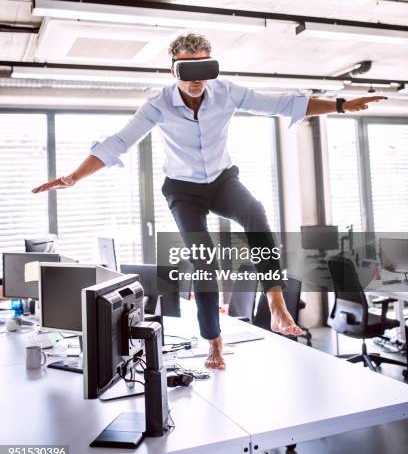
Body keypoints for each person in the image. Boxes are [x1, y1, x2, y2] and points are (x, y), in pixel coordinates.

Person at [32, 33, 387, 369]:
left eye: (204, 67)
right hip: (182, 190)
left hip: (221, 180)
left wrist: (340, 104)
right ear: (174, 70)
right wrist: (74, 176)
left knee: (256, 213)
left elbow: (283, 104)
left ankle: (276, 302)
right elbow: (117, 143)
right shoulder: (158, 105)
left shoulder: (227, 92)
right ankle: (214, 338)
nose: (197, 78)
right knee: (203, 257)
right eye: (188, 69)